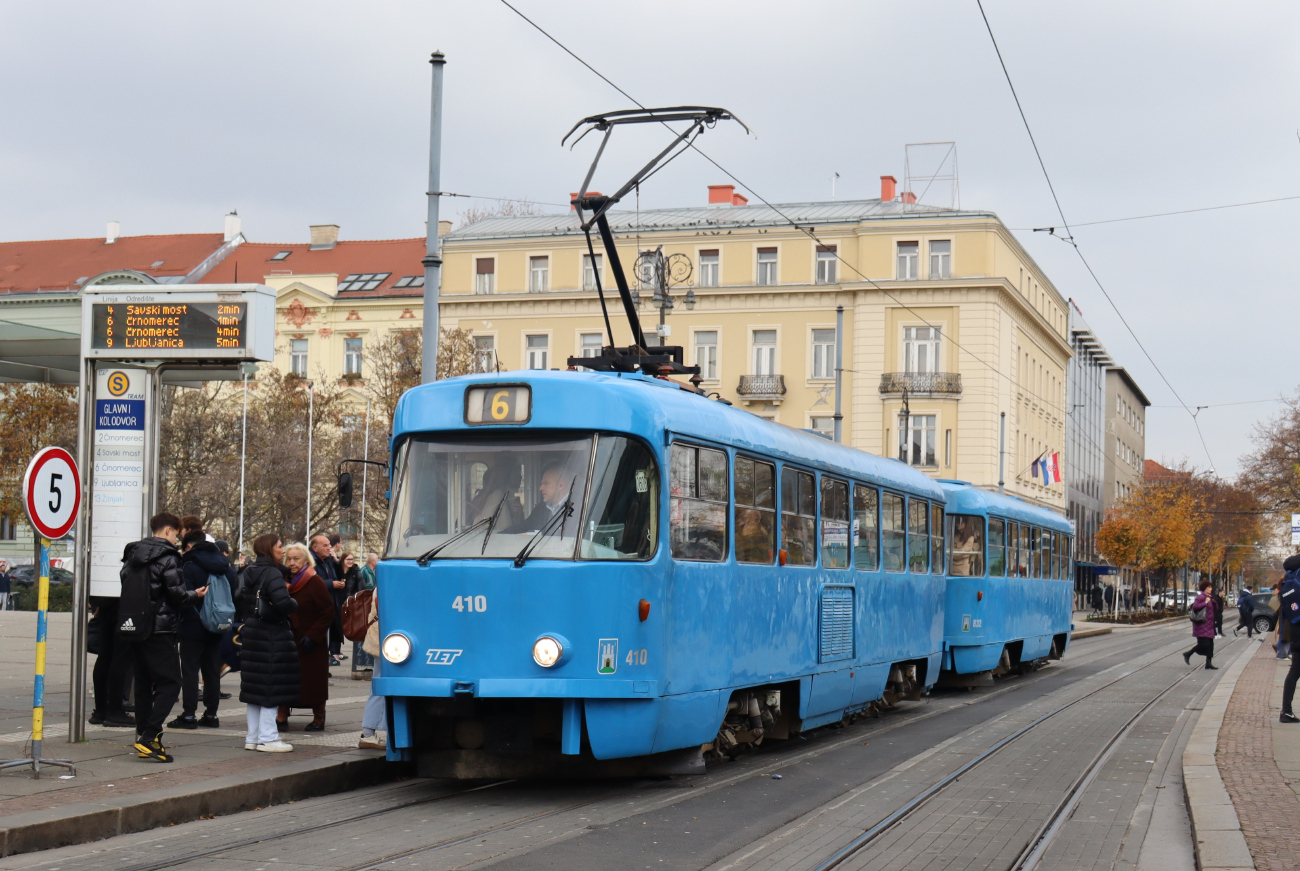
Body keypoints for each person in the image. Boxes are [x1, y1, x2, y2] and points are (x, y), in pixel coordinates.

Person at [119, 512, 207, 763]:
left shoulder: (133, 555)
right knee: (171, 683)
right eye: (177, 534)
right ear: (168, 531)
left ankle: (145, 738)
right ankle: (150, 735)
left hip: (135, 627)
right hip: (160, 629)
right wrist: (196, 595)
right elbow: (178, 595)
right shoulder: (168, 558)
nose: (177, 539)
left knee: (144, 683)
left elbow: (125, 583)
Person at [169, 527, 235, 729]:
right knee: (212, 670)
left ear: (189, 546)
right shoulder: (224, 563)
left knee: (190, 670)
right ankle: (211, 714)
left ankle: (189, 715)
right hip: (217, 623)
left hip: (192, 623)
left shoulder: (188, 563)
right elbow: (235, 585)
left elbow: (182, 594)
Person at [238, 534, 298, 752]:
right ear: (269, 549)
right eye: (280, 547)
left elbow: (240, 597)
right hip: (271, 633)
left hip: (253, 631)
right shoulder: (272, 572)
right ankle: (269, 738)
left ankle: (253, 737)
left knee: (255, 688)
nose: (283, 551)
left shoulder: (249, 570)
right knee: (272, 685)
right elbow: (283, 603)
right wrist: (294, 603)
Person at [278, 542, 334, 732]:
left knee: (313, 681)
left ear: (305, 561)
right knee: (285, 679)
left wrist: (313, 635)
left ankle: (319, 716)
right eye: (289, 559)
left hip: (311, 640)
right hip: (288, 638)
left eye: (296, 559)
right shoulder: (283, 580)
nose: (292, 563)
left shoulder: (314, 581)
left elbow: (327, 611)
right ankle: (282, 713)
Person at [88, 595, 135, 726]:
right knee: (120, 658)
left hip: (106, 602)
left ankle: (101, 709)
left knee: (105, 656)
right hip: (123, 604)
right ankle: (115, 710)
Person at [310, 533, 346, 665]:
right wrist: (332, 584)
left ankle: (327, 662)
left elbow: (340, 575)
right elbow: (312, 582)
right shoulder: (310, 561)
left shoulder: (329, 559)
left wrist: (336, 562)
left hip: (331, 602)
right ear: (315, 548)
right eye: (325, 545)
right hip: (317, 606)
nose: (329, 548)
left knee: (331, 633)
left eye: (329, 545)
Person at [358, 590, 386, 750]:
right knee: (384, 686)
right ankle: (369, 733)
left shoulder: (384, 579)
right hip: (388, 638)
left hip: (381, 638)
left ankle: (368, 733)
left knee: (378, 685)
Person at [512, 465, 570, 532]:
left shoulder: (581, 508)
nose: (541, 488)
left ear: (561, 486)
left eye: (546, 483)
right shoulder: (540, 509)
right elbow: (523, 527)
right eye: (541, 484)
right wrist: (499, 536)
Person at [1183, 579, 1218, 670]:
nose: (1211, 589)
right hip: (1201, 625)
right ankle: (1188, 653)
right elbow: (1195, 607)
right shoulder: (1201, 597)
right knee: (1204, 644)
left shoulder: (1210, 597)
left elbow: (1215, 609)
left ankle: (1208, 663)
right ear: (1204, 588)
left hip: (1209, 625)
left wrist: (1213, 602)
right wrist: (1205, 602)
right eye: (1209, 587)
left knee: (1210, 644)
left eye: (1211, 587)